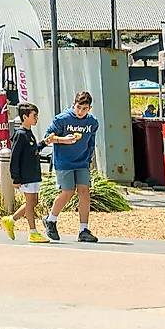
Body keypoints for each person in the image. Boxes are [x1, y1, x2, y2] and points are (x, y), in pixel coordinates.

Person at [44, 90, 101, 243]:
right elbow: (47, 138)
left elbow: (91, 142)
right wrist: (63, 140)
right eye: (78, 107)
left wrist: (89, 158)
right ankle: (51, 219)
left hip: (82, 161)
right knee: (68, 192)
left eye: (85, 108)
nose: (81, 112)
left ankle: (83, 229)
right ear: (73, 105)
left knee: (84, 191)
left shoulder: (92, 122)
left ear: (89, 108)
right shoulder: (62, 119)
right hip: (64, 162)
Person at [0, 102, 46, 242]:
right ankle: (33, 232)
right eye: (34, 116)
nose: (36, 118)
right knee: (30, 202)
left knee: (33, 201)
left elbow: (32, 150)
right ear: (25, 117)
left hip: (33, 173)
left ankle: (11, 220)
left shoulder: (29, 133)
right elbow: (15, 157)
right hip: (26, 175)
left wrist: (44, 143)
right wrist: (16, 178)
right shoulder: (20, 135)